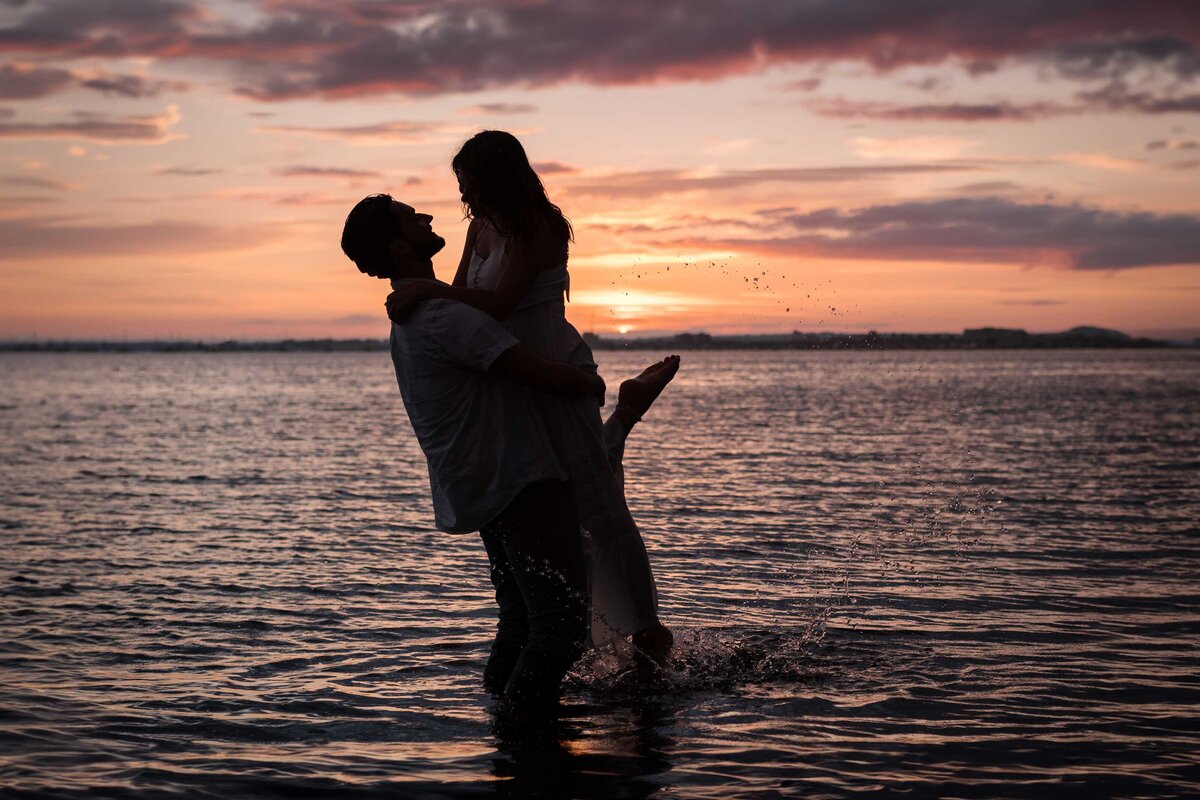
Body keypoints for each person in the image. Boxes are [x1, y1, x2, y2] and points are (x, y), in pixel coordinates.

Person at [384, 131, 675, 667]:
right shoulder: (480, 226)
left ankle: (648, 631)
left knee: (597, 504)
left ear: (499, 177)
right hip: (508, 368)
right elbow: (468, 307)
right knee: (559, 494)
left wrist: (425, 291)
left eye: (470, 184)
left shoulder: (539, 227)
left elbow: (496, 304)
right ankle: (626, 417)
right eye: (461, 186)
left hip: (550, 362)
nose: (465, 196)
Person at [341, 194, 599, 713]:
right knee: (561, 626)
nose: (428, 216)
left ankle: (502, 731)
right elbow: (538, 373)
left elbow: (471, 304)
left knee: (522, 620)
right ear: (397, 244)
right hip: (517, 479)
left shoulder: (423, 310)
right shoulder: (440, 316)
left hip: (484, 482)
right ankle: (525, 737)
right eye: (411, 216)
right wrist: (589, 382)